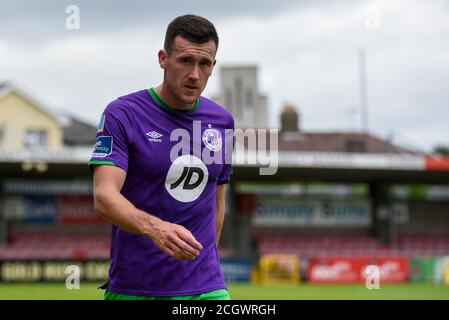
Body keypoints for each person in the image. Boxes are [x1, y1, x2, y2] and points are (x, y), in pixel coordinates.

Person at [88, 14, 234, 300]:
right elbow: (104, 196)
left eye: (204, 63)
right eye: (185, 61)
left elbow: (217, 201)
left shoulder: (222, 122)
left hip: (205, 287)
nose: (195, 74)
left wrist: (204, 265)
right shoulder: (123, 114)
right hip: (135, 287)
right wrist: (155, 229)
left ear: (213, 65)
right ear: (163, 58)